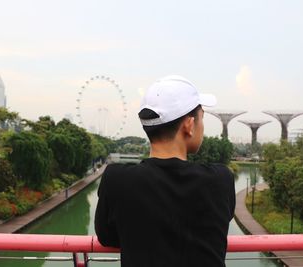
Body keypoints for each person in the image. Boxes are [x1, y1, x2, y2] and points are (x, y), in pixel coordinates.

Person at [94, 75, 235, 267]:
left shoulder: (116, 179)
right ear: (189, 125)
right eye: (201, 118)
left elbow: (107, 237)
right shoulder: (221, 179)